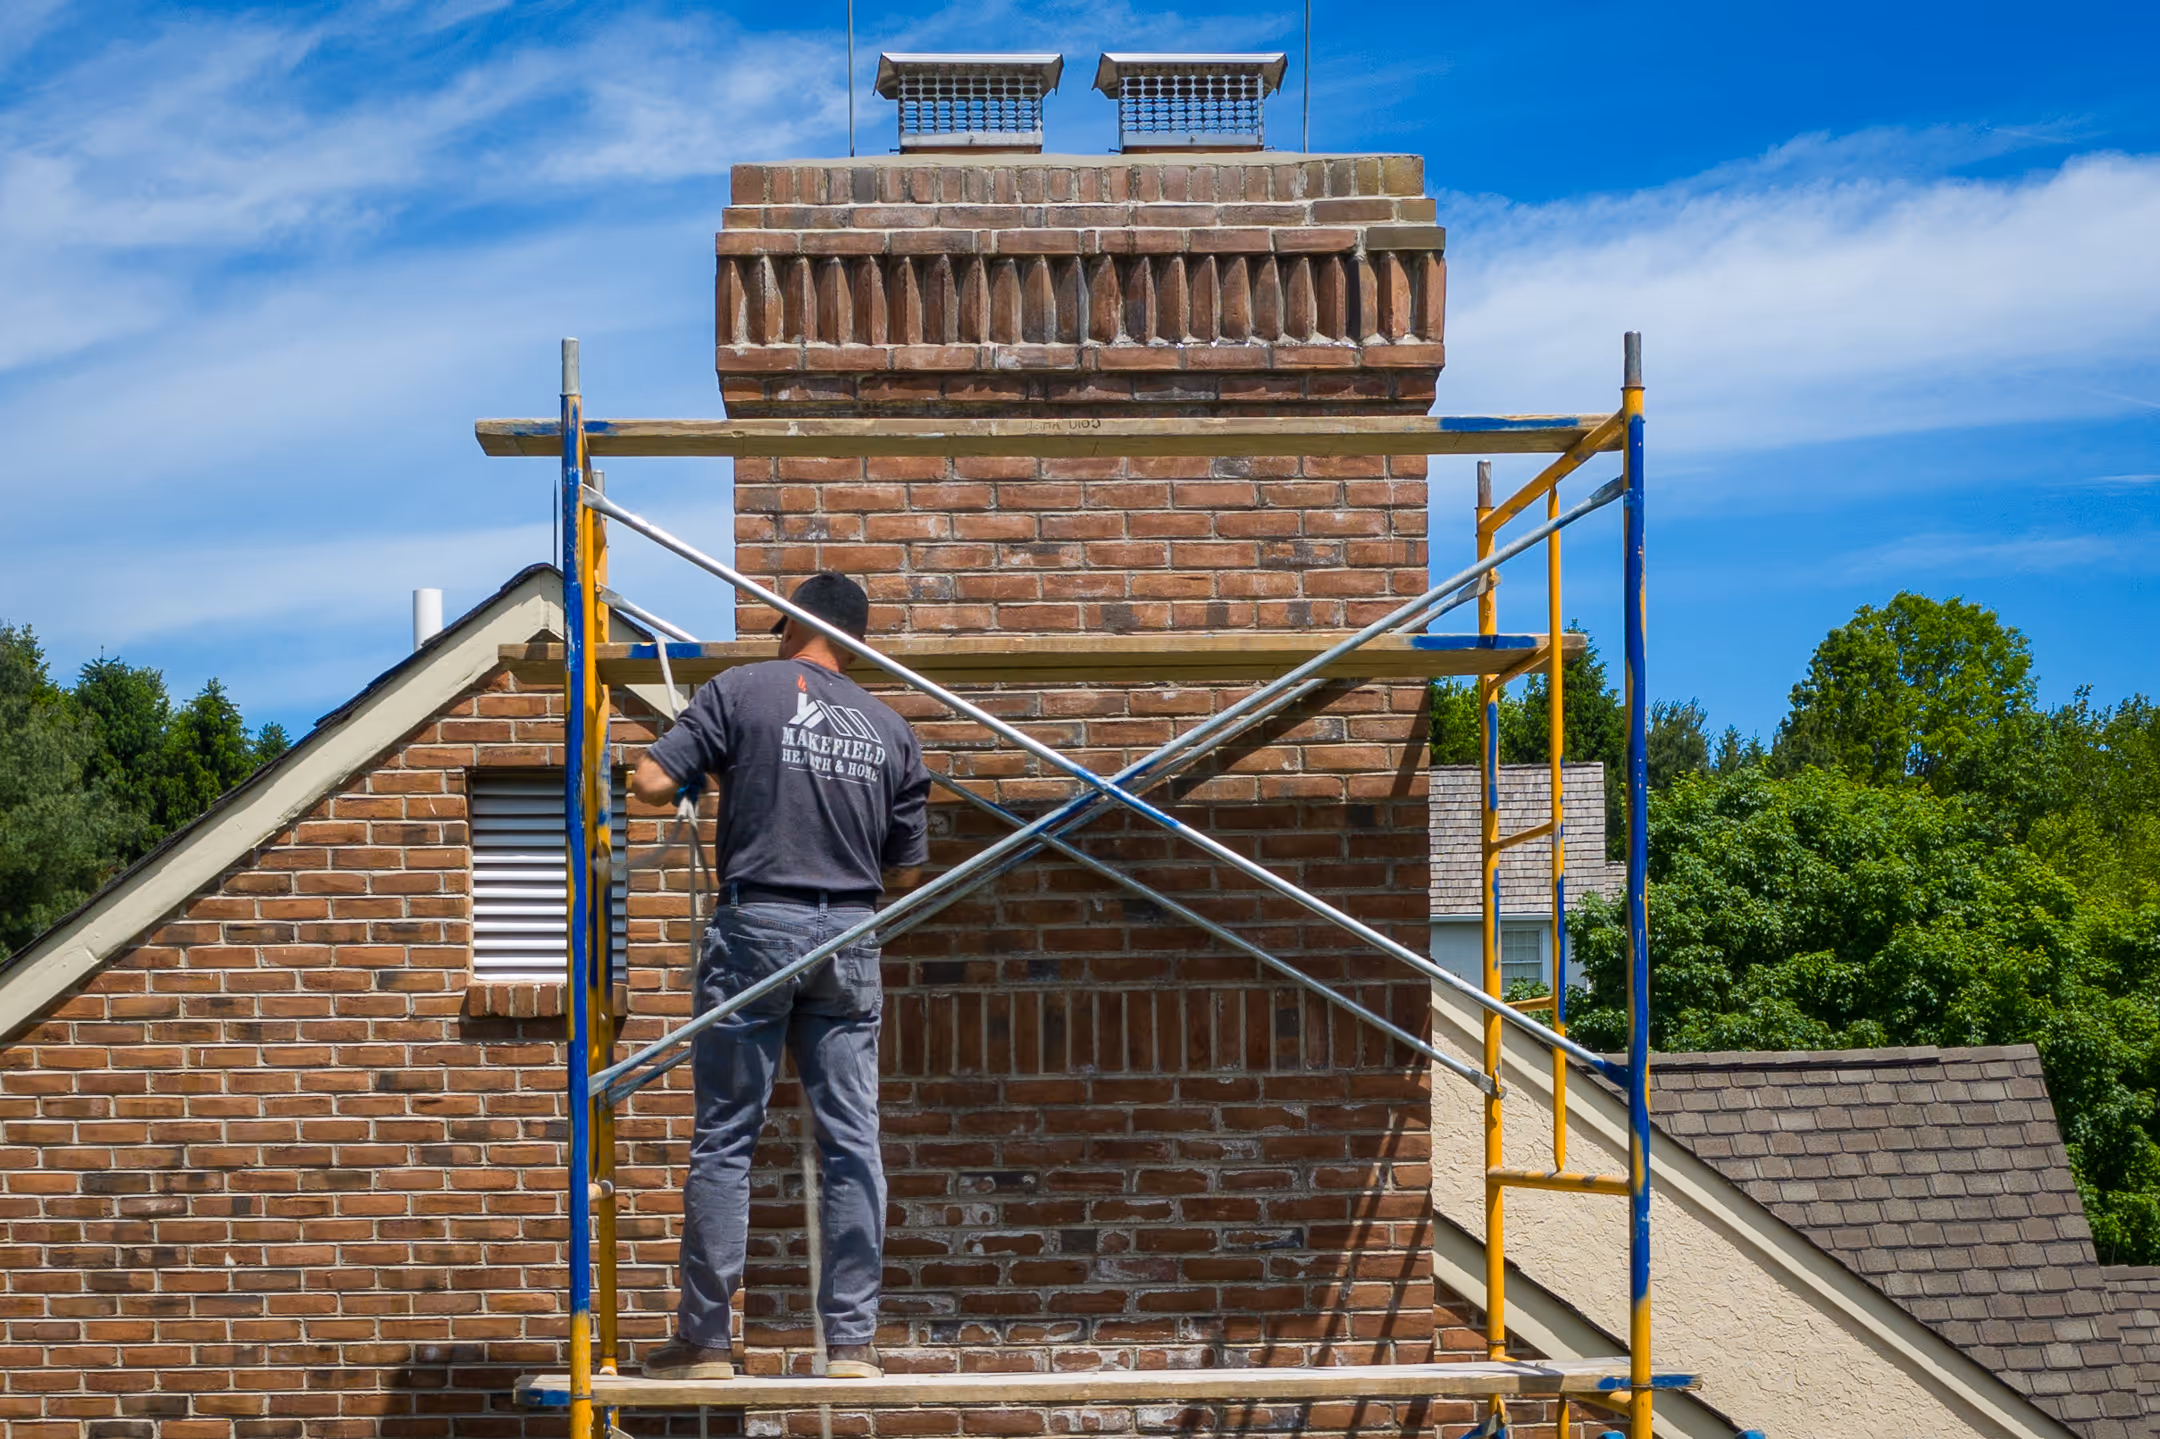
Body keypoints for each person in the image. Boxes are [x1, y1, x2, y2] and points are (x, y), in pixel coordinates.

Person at [632, 571, 930, 1382]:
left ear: (793, 624)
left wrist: (709, 773)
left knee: (728, 1136)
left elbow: (651, 783)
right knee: (852, 1143)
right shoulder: (891, 728)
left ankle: (706, 1344)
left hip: (758, 925)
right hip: (852, 934)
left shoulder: (742, 690)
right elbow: (904, 873)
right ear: (858, 639)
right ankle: (852, 1347)